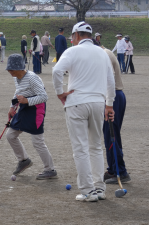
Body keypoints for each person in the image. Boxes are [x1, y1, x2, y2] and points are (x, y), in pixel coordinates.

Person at [52, 21, 115, 202]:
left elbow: (57, 71)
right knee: (95, 146)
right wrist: (109, 104)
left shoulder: (72, 51)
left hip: (77, 102)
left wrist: (59, 93)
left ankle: (87, 191)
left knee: (80, 148)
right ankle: (99, 189)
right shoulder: (103, 53)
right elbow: (110, 81)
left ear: (76, 35)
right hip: (98, 102)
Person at [6, 54, 57, 180]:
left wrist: (27, 101)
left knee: (37, 141)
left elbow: (44, 96)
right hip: (24, 106)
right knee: (10, 135)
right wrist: (12, 106)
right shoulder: (16, 77)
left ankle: (50, 169)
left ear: (19, 68)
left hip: (36, 109)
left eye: (11, 69)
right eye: (9, 69)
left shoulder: (32, 78)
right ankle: (24, 160)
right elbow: (18, 91)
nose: (9, 71)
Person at [101, 46, 131, 185]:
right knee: (109, 135)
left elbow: (110, 79)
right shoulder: (102, 52)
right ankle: (112, 169)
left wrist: (109, 103)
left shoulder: (104, 54)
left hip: (113, 98)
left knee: (112, 136)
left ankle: (121, 172)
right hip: (112, 97)